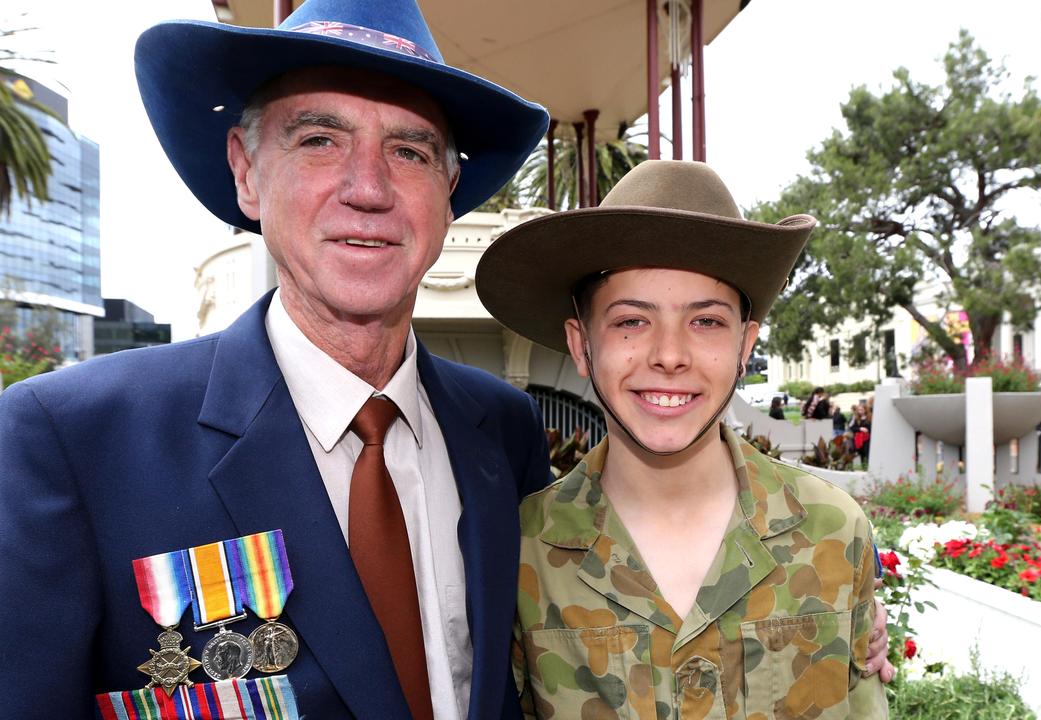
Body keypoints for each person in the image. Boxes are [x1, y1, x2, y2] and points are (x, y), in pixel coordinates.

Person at [0, 1, 554, 718]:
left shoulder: (503, 434)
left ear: (447, 195)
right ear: (246, 173)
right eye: (320, 140)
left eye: (410, 152)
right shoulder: (73, 444)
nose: (369, 189)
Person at [478, 160, 889, 718]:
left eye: (706, 322)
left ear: (746, 346)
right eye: (630, 321)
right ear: (581, 346)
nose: (669, 355)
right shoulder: (524, 550)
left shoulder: (833, 529)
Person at [852, 402, 873, 469]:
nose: (860, 411)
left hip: (868, 439)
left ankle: (868, 469)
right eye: (859, 410)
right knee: (861, 455)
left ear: (865, 409)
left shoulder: (870, 417)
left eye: (861, 410)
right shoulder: (856, 418)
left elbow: (873, 428)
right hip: (859, 440)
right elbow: (852, 428)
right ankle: (863, 469)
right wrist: (860, 428)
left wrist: (867, 430)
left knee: (867, 455)